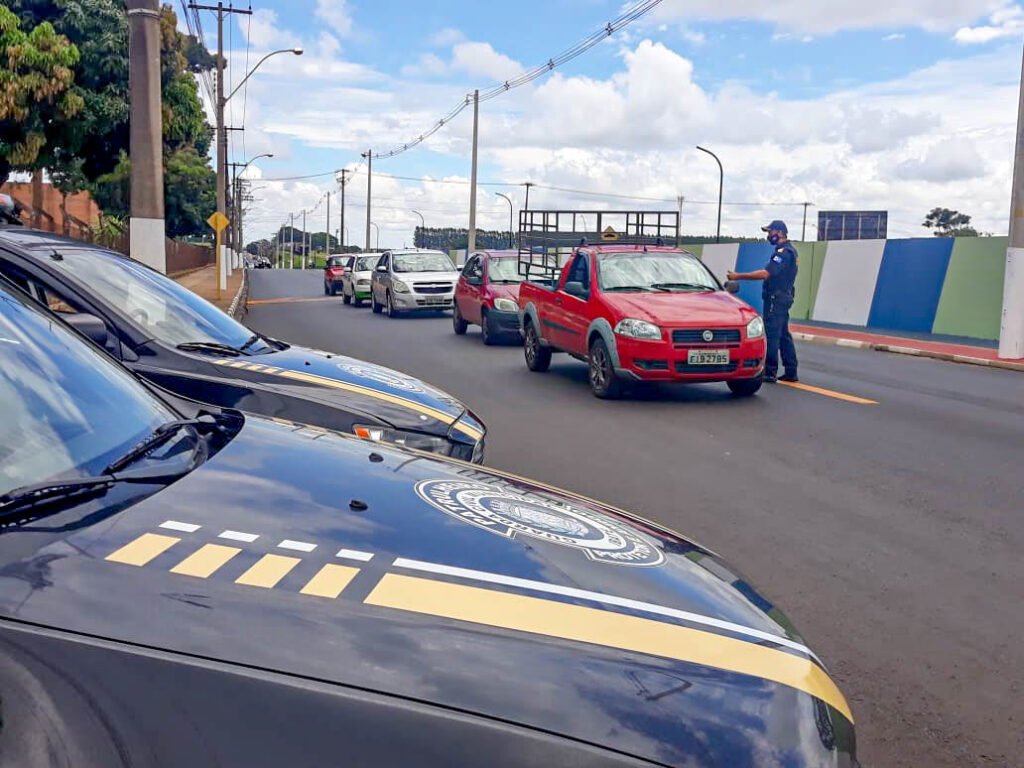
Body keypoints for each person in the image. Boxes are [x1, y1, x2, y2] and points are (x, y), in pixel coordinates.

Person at [727, 220, 798, 383]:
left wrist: (738, 276)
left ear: (780, 232)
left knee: (772, 334)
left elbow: (766, 273)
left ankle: (770, 371)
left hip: (776, 299)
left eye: (770, 232)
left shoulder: (783, 253)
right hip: (782, 297)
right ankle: (791, 370)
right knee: (783, 334)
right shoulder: (789, 251)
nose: (768, 235)